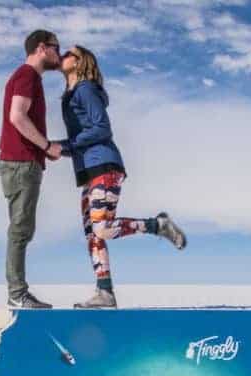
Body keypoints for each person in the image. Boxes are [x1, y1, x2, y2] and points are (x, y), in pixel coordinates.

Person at [53, 46, 187, 309]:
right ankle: (105, 292)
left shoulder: (86, 89)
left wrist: (63, 146)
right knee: (94, 234)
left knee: (102, 227)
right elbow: (81, 137)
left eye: (69, 53)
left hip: (104, 165)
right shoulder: (70, 96)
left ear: (81, 62)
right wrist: (61, 149)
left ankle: (158, 225)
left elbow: (102, 128)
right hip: (89, 170)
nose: (62, 56)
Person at [0, 29, 64, 309]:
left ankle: (18, 292)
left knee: (23, 227)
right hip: (21, 162)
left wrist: (43, 149)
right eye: (56, 48)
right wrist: (46, 145)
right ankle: (17, 293)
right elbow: (17, 116)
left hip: (24, 160)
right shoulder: (27, 75)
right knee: (21, 229)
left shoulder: (26, 77)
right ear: (41, 48)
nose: (58, 55)